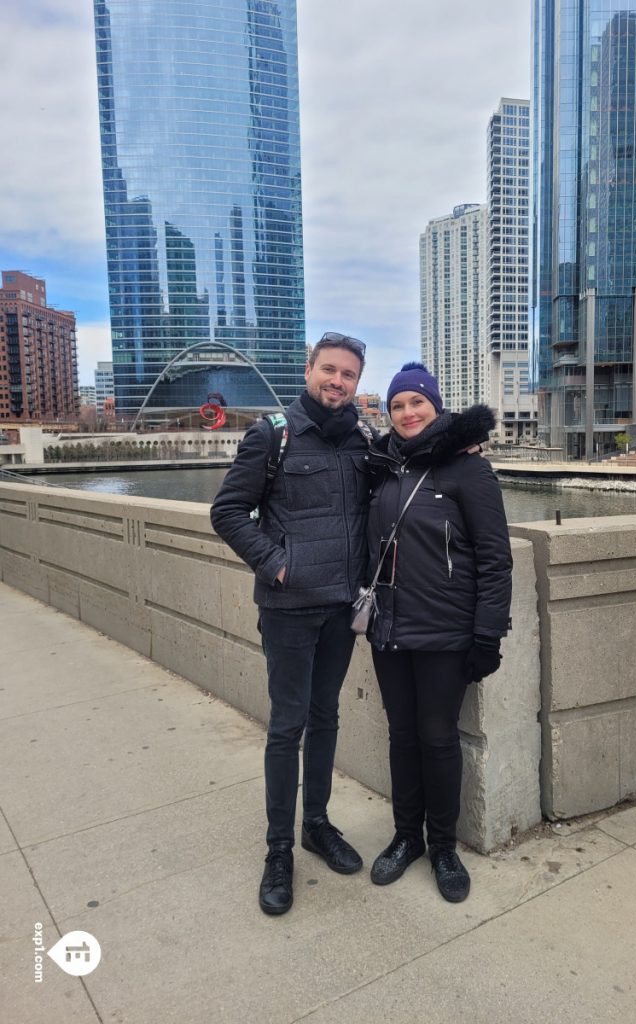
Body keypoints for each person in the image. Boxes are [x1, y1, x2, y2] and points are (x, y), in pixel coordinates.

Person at [210, 332, 372, 916]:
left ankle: (317, 825)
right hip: (288, 609)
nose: (337, 381)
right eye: (328, 370)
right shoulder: (271, 434)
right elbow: (226, 511)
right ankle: (279, 849)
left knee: (326, 716)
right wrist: (278, 566)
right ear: (309, 371)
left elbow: (410, 470)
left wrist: (465, 452)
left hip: (341, 608)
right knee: (287, 725)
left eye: (348, 374)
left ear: (357, 382)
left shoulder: (364, 439)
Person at [364, 362, 512, 903]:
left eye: (416, 404)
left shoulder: (468, 470)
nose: (406, 414)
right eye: (398, 405)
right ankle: (407, 839)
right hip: (388, 627)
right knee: (401, 737)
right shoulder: (380, 467)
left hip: (447, 632)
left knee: (438, 737)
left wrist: (487, 634)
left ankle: (443, 847)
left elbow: (496, 560)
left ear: (436, 407)